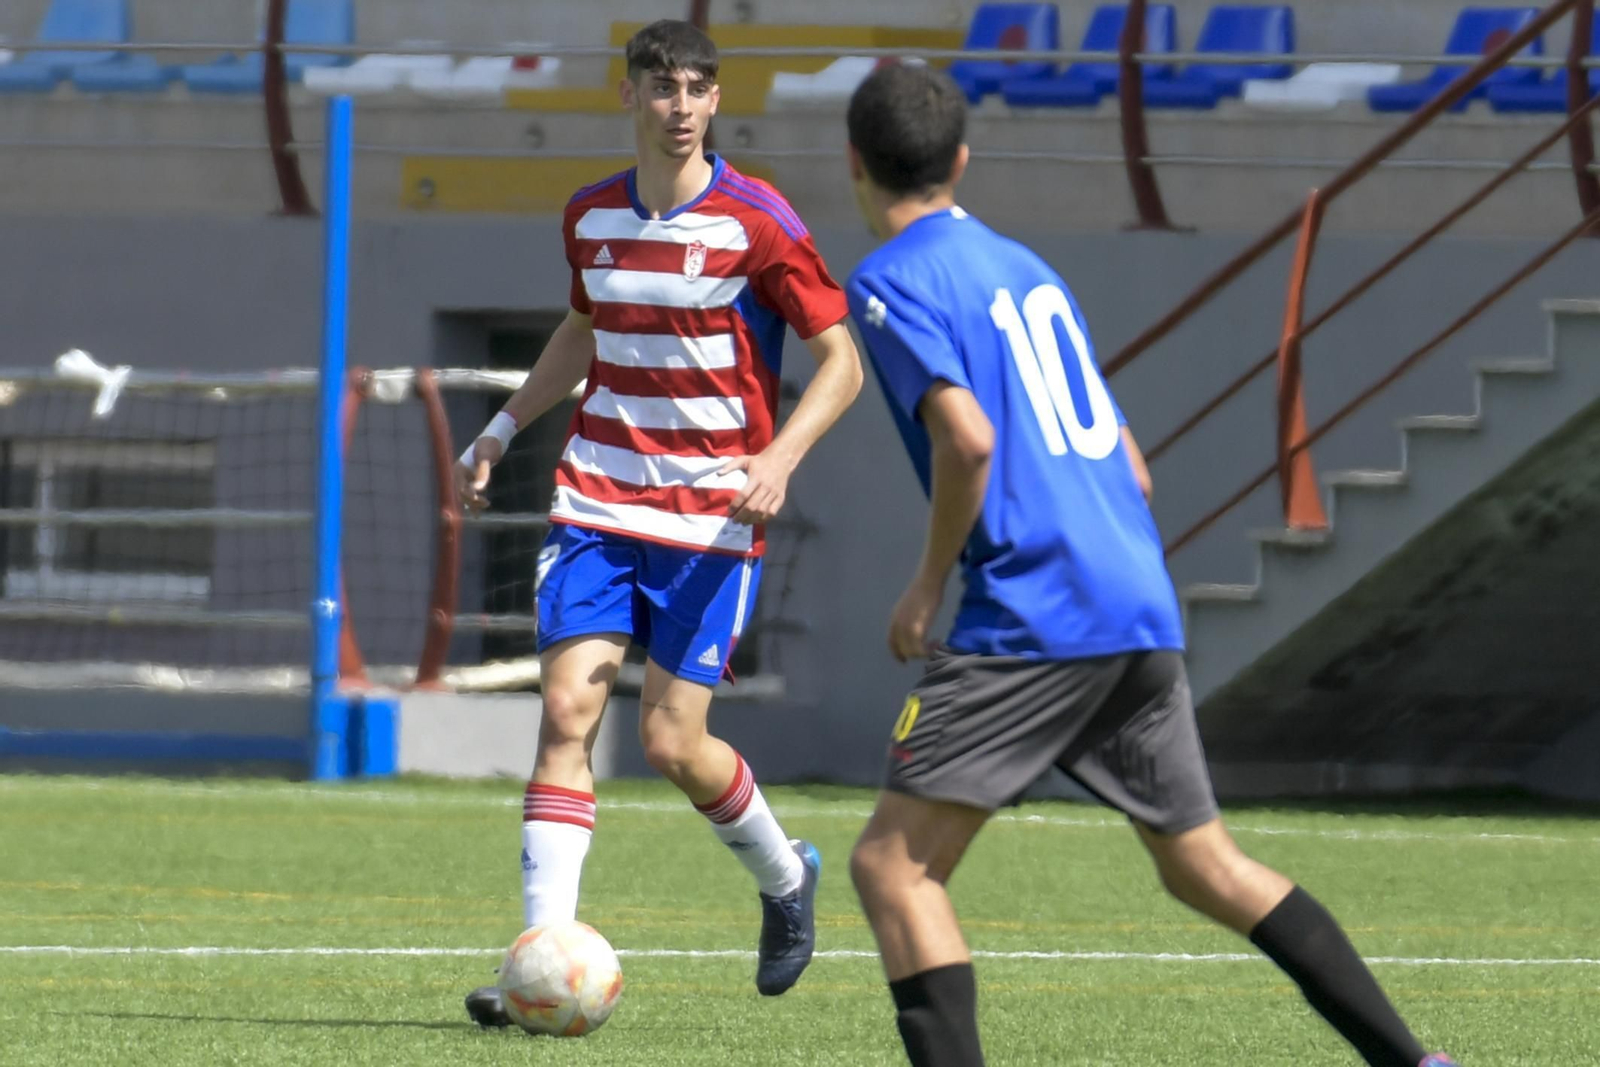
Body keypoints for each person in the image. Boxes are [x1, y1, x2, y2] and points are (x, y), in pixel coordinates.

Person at [840, 64, 1455, 1067]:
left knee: (892, 868)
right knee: (1202, 863)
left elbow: (968, 440)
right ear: (961, 158)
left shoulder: (891, 281)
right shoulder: (1028, 270)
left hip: (1035, 609)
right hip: (1133, 598)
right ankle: (1415, 1060)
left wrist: (924, 585)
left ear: (854, 163)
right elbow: (1130, 464)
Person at [455, 19, 862, 1025]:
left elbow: (843, 360)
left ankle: (784, 877)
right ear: (628, 93)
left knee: (678, 741)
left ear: (714, 101)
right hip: (597, 498)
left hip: (708, 523)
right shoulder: (590, 215)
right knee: (566, 714)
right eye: (662, 84)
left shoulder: (757, 221)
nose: (680, 104)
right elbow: (583, 331)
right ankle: (538, 964)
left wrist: (777, 458)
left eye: (697, 87)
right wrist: (504, 428)